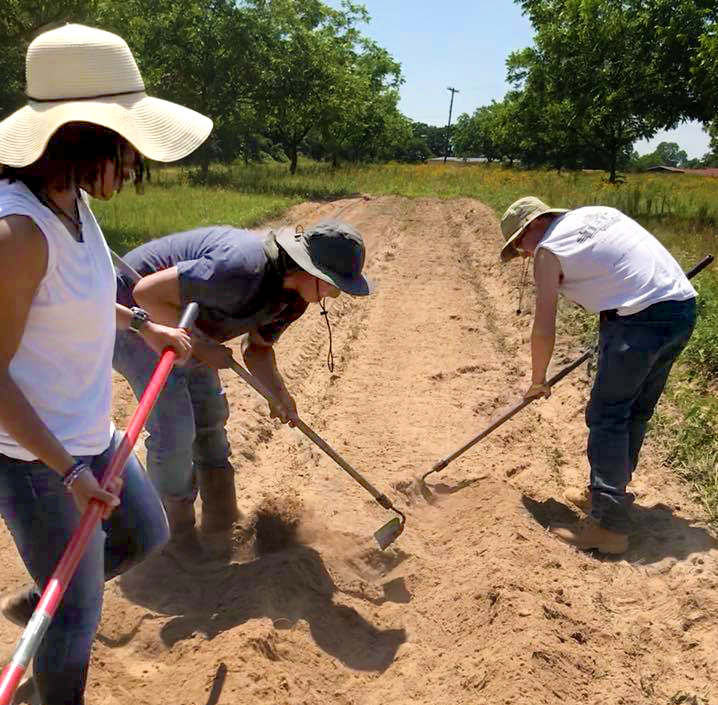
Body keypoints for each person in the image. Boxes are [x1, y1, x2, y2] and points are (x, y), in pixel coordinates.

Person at [0, 24, 211, 704]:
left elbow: (79, 301)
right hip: (41, 461)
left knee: (146, 533)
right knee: (79, 623)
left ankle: (47, 598)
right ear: (85, 138)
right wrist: (69, 473)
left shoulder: (74, 204)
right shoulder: (18, 233)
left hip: (93, 435)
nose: (132, 165)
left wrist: (143, 325)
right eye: (125, 148)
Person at [113, 220, 373, 561]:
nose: (336, 293)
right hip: (135, 319)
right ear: (309, 269)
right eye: (333, 284)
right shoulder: (240, 269)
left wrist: (279, 394)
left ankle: (221, 522)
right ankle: (173, 539)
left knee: (210, 415)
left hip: (189, 324)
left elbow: (258, 349)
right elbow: (146, 293)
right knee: (176, 427)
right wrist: (204, 350)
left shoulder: (293, 299)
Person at [499, 196, 697, 555]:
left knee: (608, 416)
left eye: (519, 246)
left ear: (533, 227)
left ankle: (607, 527)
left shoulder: (548, 249)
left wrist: (537, 380)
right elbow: (618, 271)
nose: (525, 255)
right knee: (634, 410)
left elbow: (543, 324)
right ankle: (605, 497)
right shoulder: (598, 213)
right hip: (680, 308)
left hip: (639, 320)